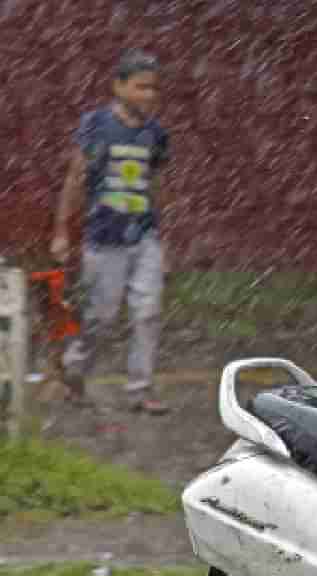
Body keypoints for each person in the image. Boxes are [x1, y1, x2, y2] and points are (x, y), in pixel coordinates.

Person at [51, 49, 171, 414]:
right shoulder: (96, 125)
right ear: (118, 86)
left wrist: (164, 239)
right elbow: (75, 178)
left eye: (154, 89)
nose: (149, 95)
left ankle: (140, 391)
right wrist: (60, 231)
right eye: (140, 87)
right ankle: (75, 370)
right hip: (104, 238)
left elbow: (158, 185)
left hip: (145, 237)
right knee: (99, 318)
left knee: (147, 313)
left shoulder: (156, 134)